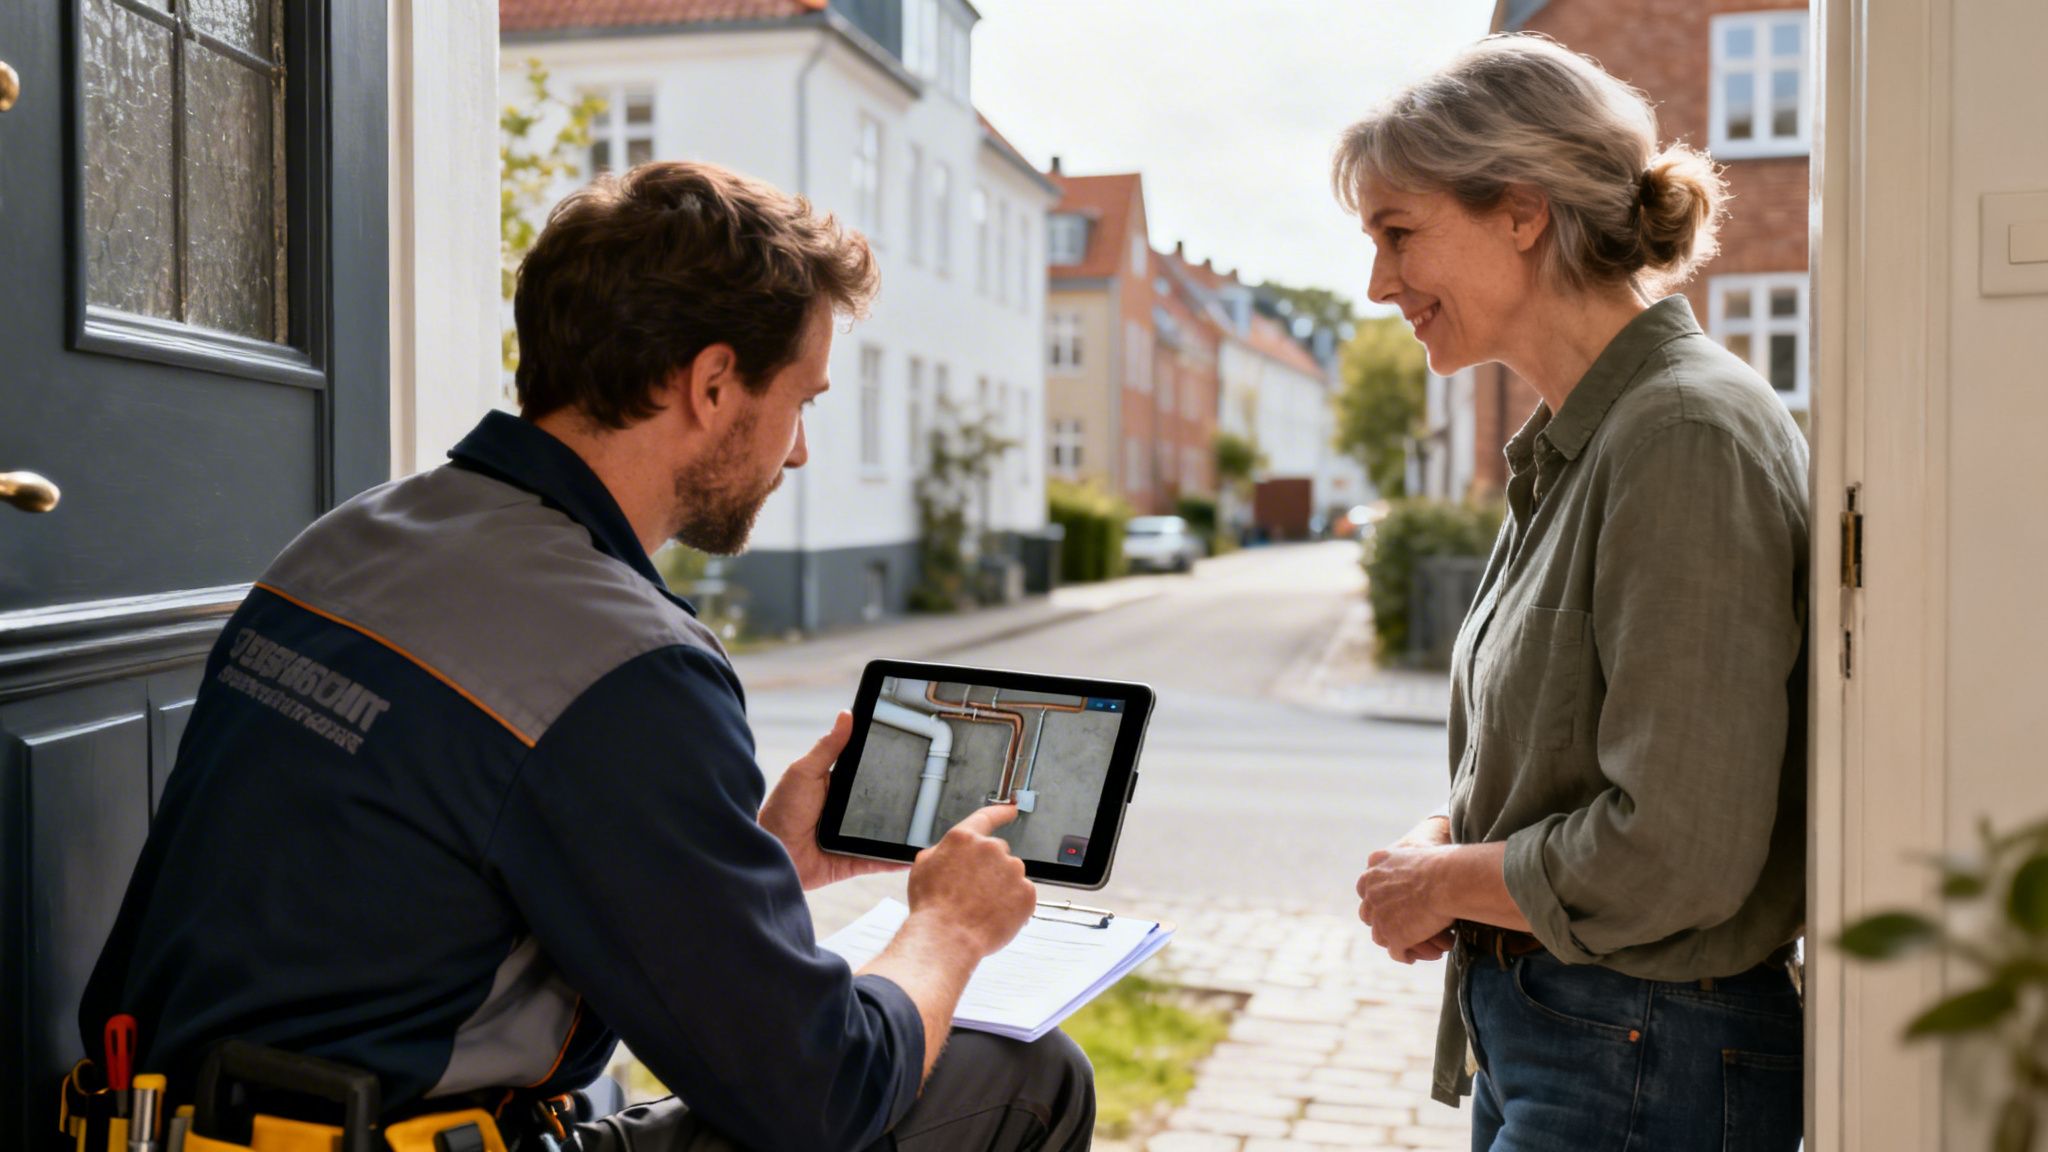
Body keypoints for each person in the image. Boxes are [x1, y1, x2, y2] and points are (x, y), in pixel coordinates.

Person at [80, 161, 1094, 1152]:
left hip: (162, 1122)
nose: (797, 451)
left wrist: (764, 860)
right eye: (803, 401)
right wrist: (948, 929)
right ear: (710, 382)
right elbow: (818, 1095)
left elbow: (446, 862)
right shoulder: (625, 665)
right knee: (1027, 1082)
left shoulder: (354, 539)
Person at [1336, 35, 1809, 1151]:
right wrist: (1445, 851)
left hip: (1642, 1048)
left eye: (1396, 233)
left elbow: (1677, 849)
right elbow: (1575, 756)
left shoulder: (1680, 432)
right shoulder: (1579, 443)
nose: (1377, 284)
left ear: (1519, 210)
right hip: (1576, 1036)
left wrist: (1447, 878)